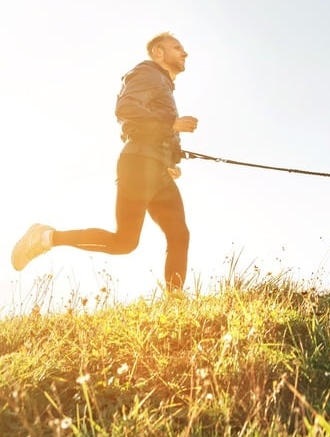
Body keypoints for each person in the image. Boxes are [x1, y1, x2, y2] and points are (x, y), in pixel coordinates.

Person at [11, 32, 199, 295]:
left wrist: (170, 159)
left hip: (156, 168)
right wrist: (171, 123)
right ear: (158, 52)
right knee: (124, 242)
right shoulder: (147, 73)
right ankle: (46, 237)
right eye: (177, 47)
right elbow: (126, 110)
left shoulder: (163, 84)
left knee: (179, 234)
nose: (185, 52)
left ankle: (175, 299)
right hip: (138, 164)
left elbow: (151, 131)